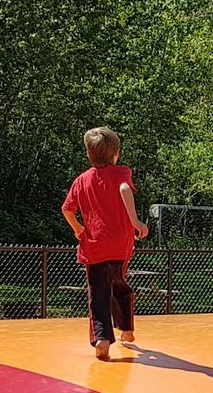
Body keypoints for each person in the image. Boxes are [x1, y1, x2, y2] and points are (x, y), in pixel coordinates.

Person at [60, 127, 148, 361]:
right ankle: (127, 330)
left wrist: (78, 229)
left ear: (89, 154)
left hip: (94, 246)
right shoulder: (121, 172)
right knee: (119, 284)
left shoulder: (82, 180)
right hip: (120, 246)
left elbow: (67, 209)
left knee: (98, 292)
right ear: (116, 153)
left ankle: (102, 339)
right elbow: (124, 188)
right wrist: (135, 220)